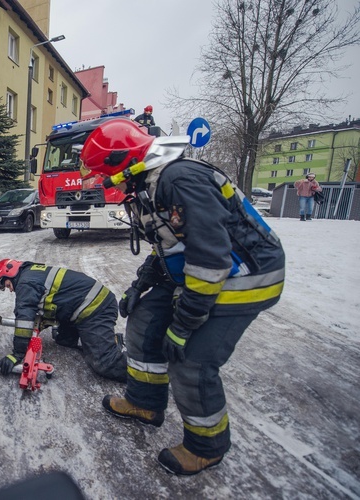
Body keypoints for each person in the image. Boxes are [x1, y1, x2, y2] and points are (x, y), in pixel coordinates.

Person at [79, 119, 285, 475]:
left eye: (102, 173)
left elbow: (210, 258)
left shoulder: (178, 178)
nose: (102, 182)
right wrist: (140, 286)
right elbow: (169, 248)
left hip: (245, 276)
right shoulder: (148, 184)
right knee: (143, 325)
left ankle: (207, 447)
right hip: (200, 271)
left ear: (121, 162)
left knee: (191, 360)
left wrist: (185, 323)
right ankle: (145, 404)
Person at [0, 259, 127, 382]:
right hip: (81, 308)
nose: (10, 290)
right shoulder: (31, 273)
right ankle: (107, 339)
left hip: (96, 309)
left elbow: (24, 319)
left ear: (9, 273)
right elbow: (49, 300)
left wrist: (18, 354)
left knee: (104, 364)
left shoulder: (25, 283)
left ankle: (143, 374)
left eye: (7, 285)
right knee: (63, 340)